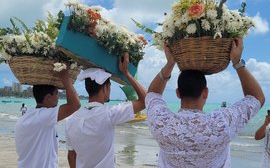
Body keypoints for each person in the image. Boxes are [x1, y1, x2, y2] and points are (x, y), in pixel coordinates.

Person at [145, 39, 265, 168]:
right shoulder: (222, 123)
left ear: (178, 93)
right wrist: (237, 62)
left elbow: (153, 93)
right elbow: (257, 98)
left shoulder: (161, 122)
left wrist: (170, 64)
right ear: (205, 93)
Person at [65, 53, 146, 168]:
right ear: (105, 88)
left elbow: (71, 156)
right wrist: (126, 73)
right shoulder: (109, 114)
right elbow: (146, 100)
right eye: (110, 86)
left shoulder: (71, 120)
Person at [15, 69, 80, 168]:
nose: (58, 99)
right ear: (49, 97)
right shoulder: (43, 117)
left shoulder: (27, 117)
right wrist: (65, 79)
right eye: (56, 94)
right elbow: (75, 105)